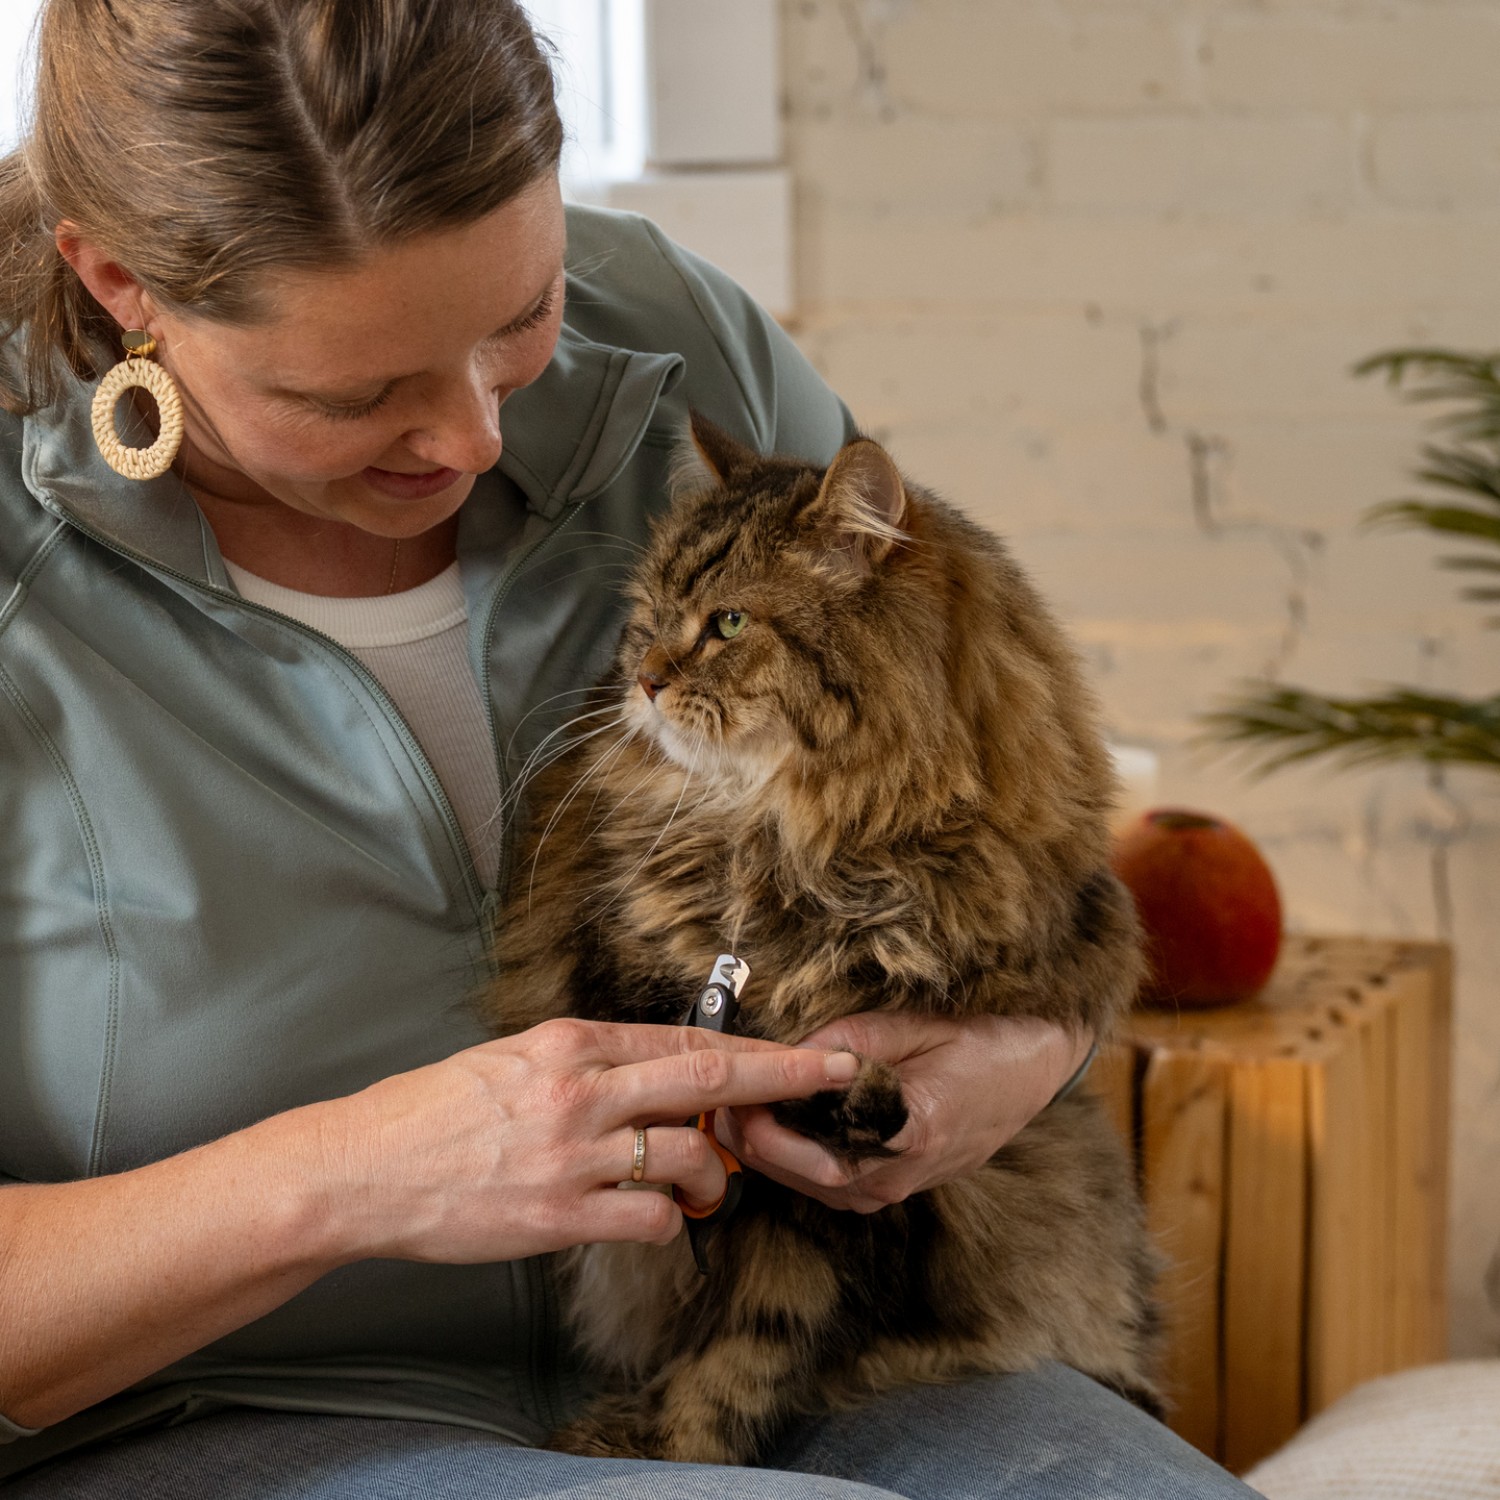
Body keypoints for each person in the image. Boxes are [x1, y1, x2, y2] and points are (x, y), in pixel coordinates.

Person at [0, 2, 1257, 1495]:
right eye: (353, 394)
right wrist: (350, 1179)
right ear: (121, 282)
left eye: (518, 319)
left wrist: (1015, 1052)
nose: (472, 438)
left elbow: (986, 826)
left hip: (812, 1348)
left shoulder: (668, 329)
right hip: (213, 1413)